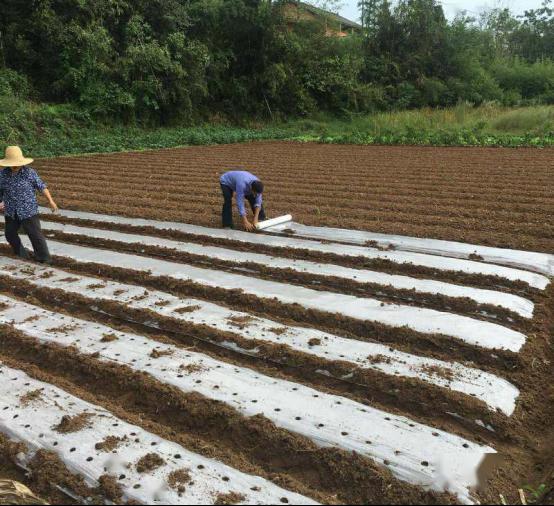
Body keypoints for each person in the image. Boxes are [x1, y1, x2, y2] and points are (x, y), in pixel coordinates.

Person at [0, 146, 59, 263]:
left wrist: (51, 201)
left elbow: (42, 187)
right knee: (10, 234)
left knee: (35, 235)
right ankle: (21, 254)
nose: (14, 166)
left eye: (16, 163)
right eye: (12, 164)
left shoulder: (29, 173)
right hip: (11, 210)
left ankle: (44, 258)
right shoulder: (2, 174)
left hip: (28, 210)